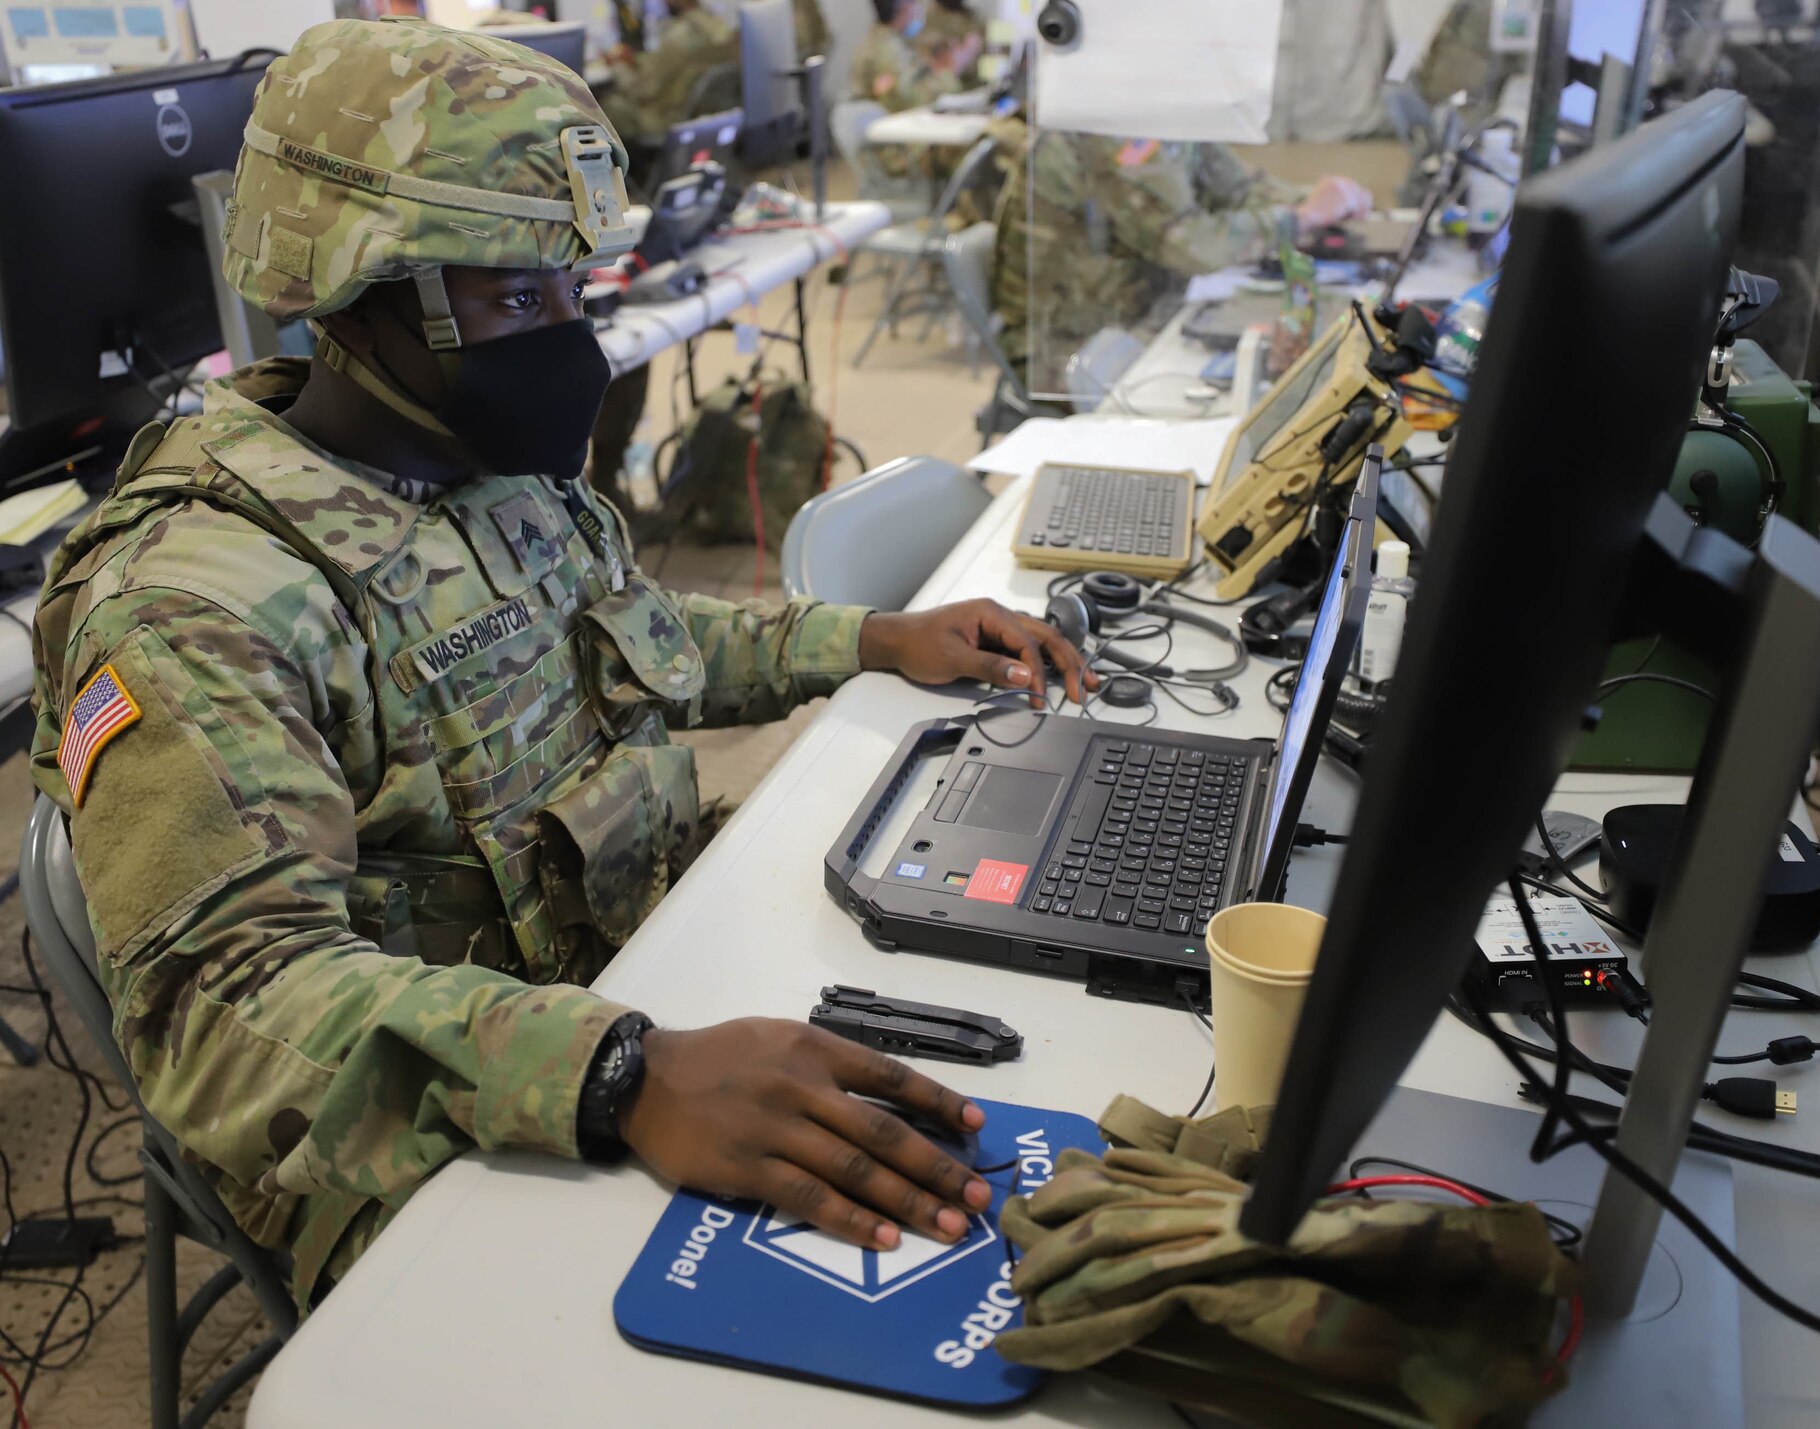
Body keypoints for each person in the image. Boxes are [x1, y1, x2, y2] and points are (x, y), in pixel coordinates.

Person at [29, 16, 1094, 1317]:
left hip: (646, 981)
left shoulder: (482, 465)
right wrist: (617, 1077)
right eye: (520, 295)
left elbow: (632, 635)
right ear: (363, 285)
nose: (571, 335)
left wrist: (864, 640)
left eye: (577, 288)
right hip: (452, 1123)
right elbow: (226, 1005)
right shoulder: (198, 597)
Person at [987, 118, 1371, 392]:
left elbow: (1236, 189)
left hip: (1141, 314)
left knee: (1285, 362)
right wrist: (1299, 218)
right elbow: (1191, 246)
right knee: (1259, 396)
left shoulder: (1167, 111)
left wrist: (1317, 202)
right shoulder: (1106, 129)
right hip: (1071, 350)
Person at [597, 0, 737, 145]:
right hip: (699, 116)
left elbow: (642, 90)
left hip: (665, 119)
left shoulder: (679, 37)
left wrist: (617, 66)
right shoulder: (719, 28)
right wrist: (636, 61)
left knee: (605, 106)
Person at [852, 0, 974, 114]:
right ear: (903, 6)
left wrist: (935, 69)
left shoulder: (886, 41)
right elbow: (909, 103)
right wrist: (952, 70)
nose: (918, 7)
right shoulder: (888, 50)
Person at [921, 0, 984, 84]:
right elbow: (925, 49)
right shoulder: (930, 17)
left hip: (972, 83)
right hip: (941, 83)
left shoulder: (974, 18)